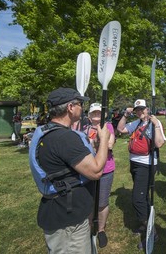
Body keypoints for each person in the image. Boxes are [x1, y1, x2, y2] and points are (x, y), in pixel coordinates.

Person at [31, 87, 110, 254]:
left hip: (61, 209)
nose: (82, 108)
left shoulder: (47, 132)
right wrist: (104, 139)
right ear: (70, 107)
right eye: (80, 104)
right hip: (67, 220)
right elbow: (95, 171)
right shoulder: (64, 138)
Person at [117, 99, 165, 246]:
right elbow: (120, 130)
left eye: (142, 109)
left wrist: (156, 125)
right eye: (137, 109)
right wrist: (125, 115)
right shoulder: (136, 123)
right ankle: (145, 223)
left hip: (147, 165)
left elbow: (159, 143)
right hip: (135, 163)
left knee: (138, 198)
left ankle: (152, 233)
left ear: (147, 109)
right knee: (143, 197)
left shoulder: (154, 123)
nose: (140, 112)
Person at [84, 102, 116, 248]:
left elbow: (110, 145)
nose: (96, 116)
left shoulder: (108, 127)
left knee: (102, 202)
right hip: (87, 169)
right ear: (89, 116)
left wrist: (97, 140)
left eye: (99, 113)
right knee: (89, 201)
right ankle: (90, 227)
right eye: (93, 114)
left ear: (103, 114)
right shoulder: (84, 129)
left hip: (105, 169)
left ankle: (101, 229)